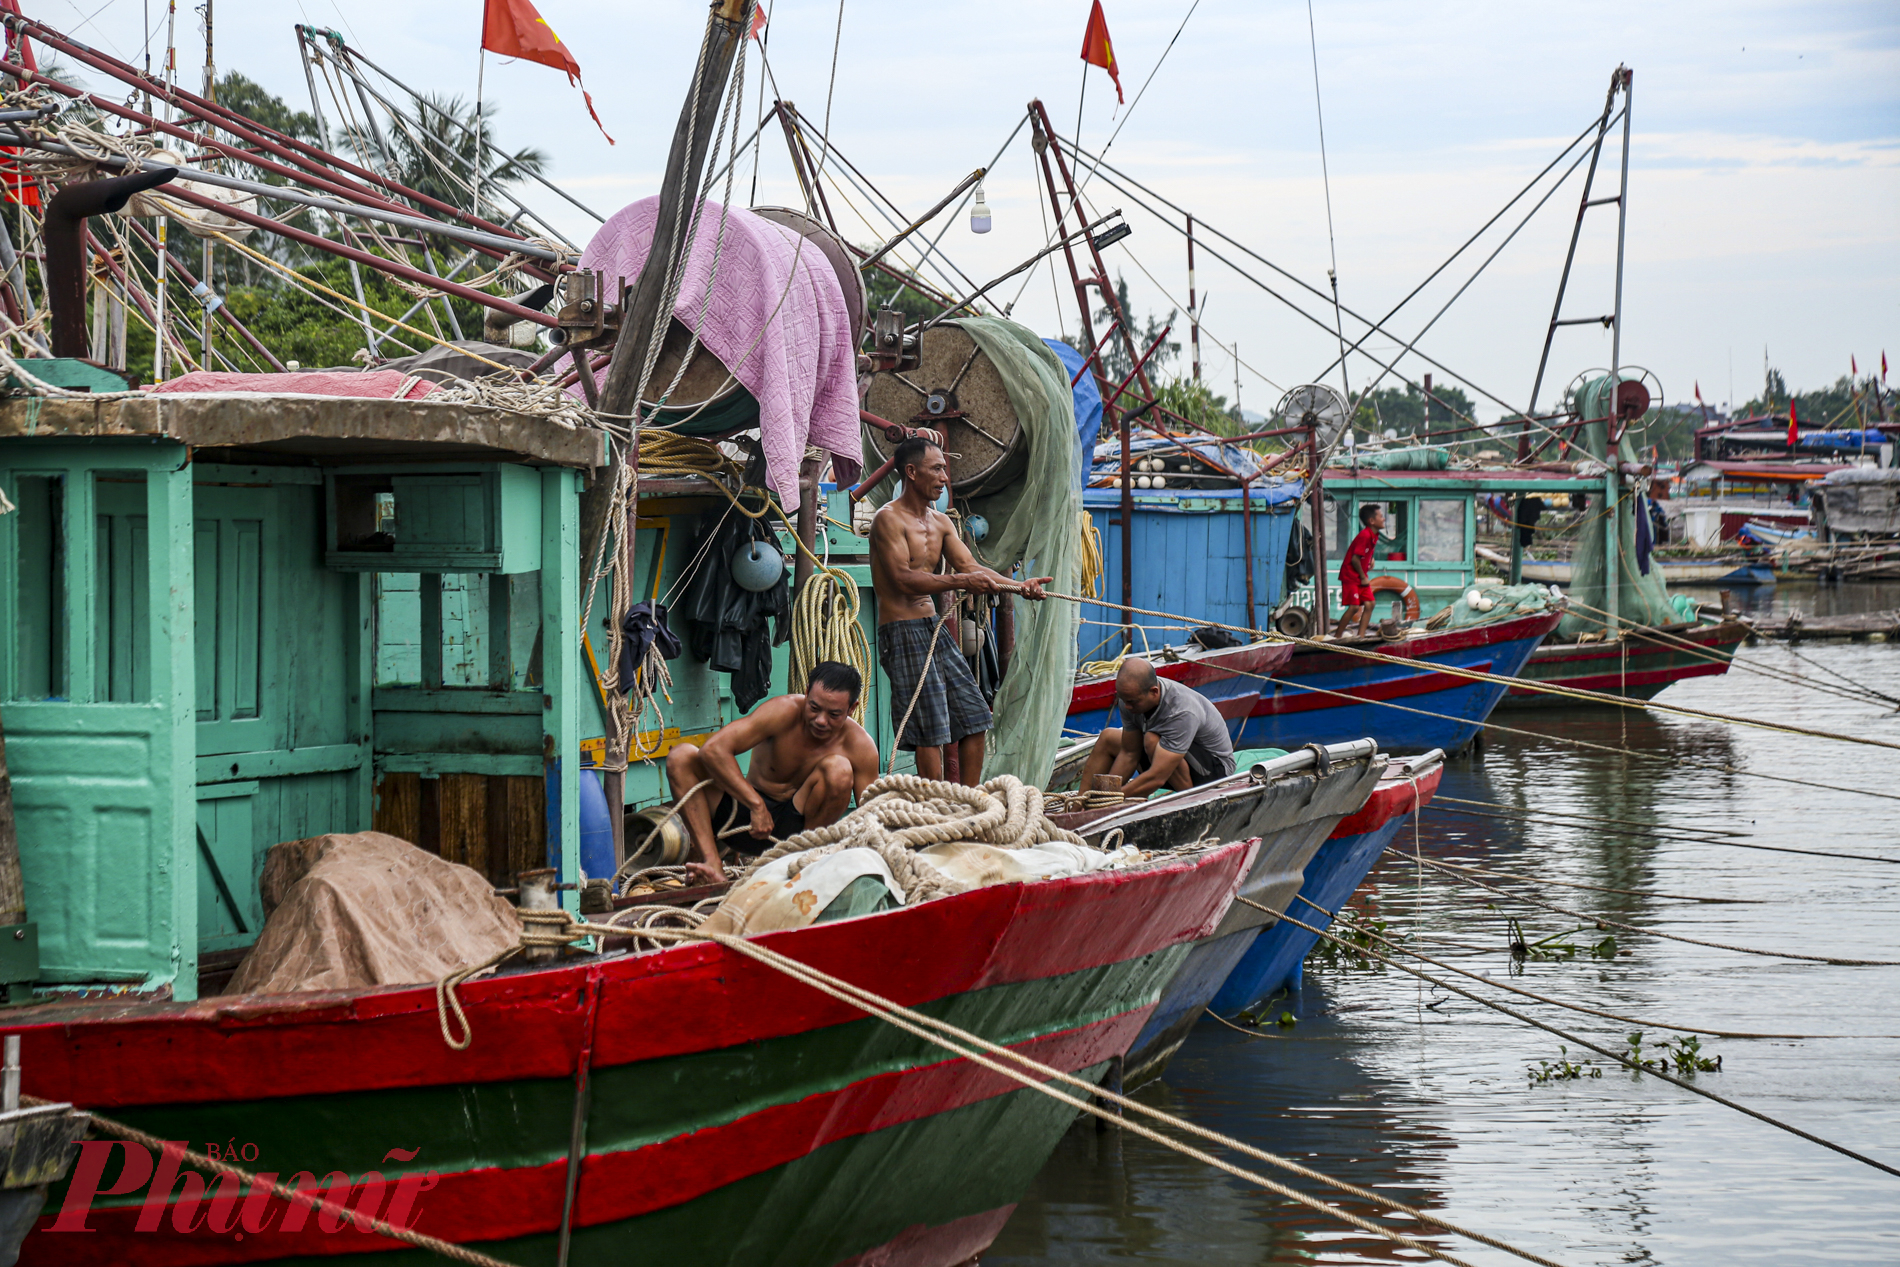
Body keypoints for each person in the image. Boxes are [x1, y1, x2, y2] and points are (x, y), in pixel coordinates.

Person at [869, 437, 1050, 785]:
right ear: (911, 472)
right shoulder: (887, 520)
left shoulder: (941, 523)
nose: (944, 477)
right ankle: (936, 805)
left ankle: (969, 800)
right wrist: (959, 582)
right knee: (930, 728)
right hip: (901, 630)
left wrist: (1021, 587)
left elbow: (970, 567)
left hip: (930, 626)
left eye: (944, 470)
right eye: (936, 469)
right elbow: (903, 580)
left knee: (975, 715)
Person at [664, 661, 879, 883]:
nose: (821, 720)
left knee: (839, 769)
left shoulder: (860, 746)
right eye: (814, 708)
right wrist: (755, 804)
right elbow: (713, 750)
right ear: (806, 693)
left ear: (851, 708)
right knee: (681, 757)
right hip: (741, 820)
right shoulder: (783, 711)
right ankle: (712, 864)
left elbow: (872, 812)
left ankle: (803, 864)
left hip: (797, 835)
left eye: (834, 714)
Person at [1077, 657, 1235, 797]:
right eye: (1124, 700)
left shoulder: (1180, 711)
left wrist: (1115, 798)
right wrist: (1102, 797)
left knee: (1152, 739)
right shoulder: (1129, 698)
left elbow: (1157, 777)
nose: (1127, 707)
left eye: (1132, 702)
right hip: (1167, 762)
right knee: (1108, 738)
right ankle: (1079, 804)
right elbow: (1129, 753)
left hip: (1214, 772)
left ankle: (1188, 799)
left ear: (1154, 692)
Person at [1332, 502, 1385, 638]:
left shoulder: (1374, 535)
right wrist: (1362, 577)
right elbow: (1355, 559)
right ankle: (1337, 637)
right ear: (1371, 521)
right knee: (1354, 607)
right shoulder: (1365, 535)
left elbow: (1366, 552)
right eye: (1381, 516)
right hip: (1351, 575)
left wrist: (1371, 558)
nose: (1383, 518)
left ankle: (1361, 636)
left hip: (1360, 575)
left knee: (1370, 603)